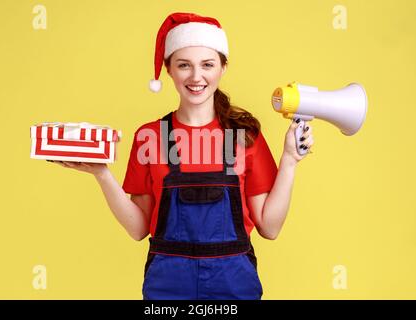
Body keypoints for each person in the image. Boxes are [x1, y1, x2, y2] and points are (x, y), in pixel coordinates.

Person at [52, 12, 314, 300]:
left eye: (207, 65)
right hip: (168, 291)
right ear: (169, 69)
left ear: (223, 68)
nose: (196, 76)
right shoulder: (148, 137)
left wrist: (290, 160)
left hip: (234, 290)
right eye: (184, 65)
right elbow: (139, 228)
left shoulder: (244, 135)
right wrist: (102, 174)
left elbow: (271, 227)